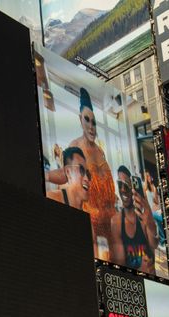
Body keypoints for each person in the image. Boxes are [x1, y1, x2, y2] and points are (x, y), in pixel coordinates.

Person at [46, 88, 116, 259]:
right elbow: (66, 175)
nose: (91, 127)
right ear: (80, 119)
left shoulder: (100, 151)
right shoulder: (74, 146)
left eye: (93, 122)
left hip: (108, 224)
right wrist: (45, 175)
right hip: (89, 223)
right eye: (87, 120)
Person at [109, 166, 158, 275]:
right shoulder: (116, 222)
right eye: (119, 184)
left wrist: (149, 222)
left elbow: (154, 245)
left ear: (134, 188)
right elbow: (119, 265)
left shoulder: (144, 216)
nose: (122, 189)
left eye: (126, 185)